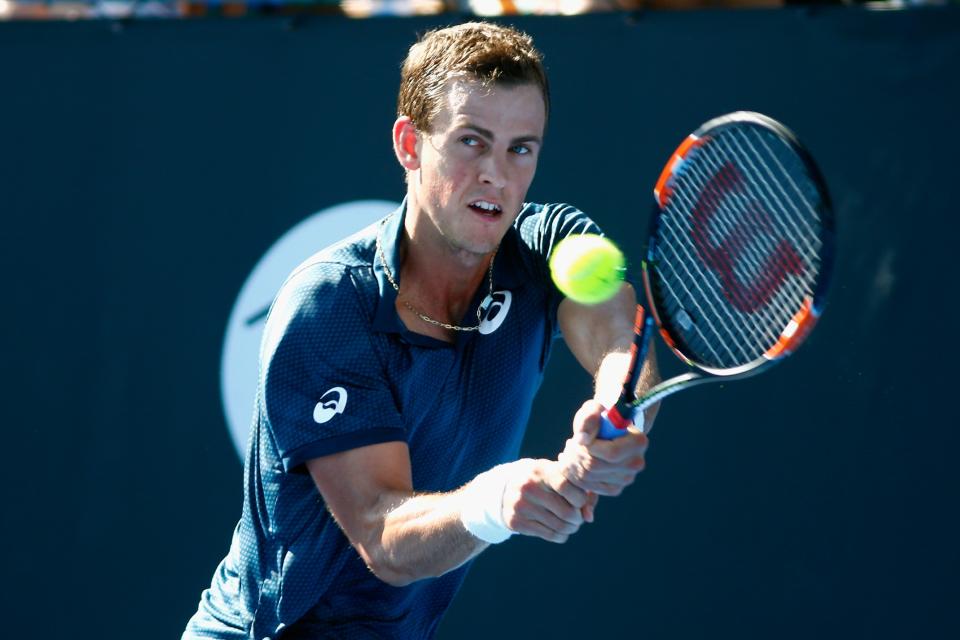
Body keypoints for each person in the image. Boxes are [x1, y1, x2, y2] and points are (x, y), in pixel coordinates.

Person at [183, 21, 658, 640]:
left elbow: (619, 333)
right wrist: (495, 501)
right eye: (471, 141)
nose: (497, 174)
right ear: (410, 144)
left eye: (521, 148)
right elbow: (383, 538)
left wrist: (620, 415)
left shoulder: (545, 245)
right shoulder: (328, 306)